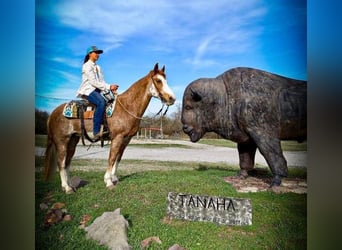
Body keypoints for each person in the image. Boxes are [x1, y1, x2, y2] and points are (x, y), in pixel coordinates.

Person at [77, 46, 119, 141]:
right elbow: (93, 82)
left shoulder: (98, 68)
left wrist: (110, 88)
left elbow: (101, 81)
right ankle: (95, 132)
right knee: (101, 102)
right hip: (88, 90)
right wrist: (108, 87)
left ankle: (106, 128)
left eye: (98, 53)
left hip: (98, 90)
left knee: (112, 101)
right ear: (89, 54)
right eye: (95, 52)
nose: (97, 54)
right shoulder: (87, 66)